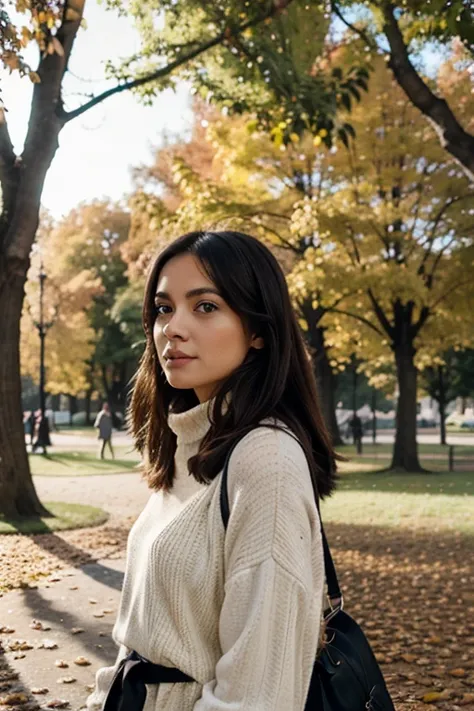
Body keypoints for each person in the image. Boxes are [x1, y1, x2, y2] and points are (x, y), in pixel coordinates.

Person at [86, 230, 338, 711]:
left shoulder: (267, 462)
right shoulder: (190, 445)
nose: (172, 328)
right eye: (163, 308)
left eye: (205, 307)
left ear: (259, 330)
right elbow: (142, 639)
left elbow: (257, 696)